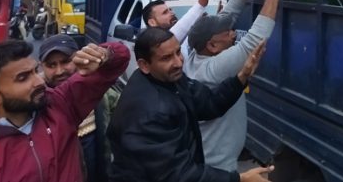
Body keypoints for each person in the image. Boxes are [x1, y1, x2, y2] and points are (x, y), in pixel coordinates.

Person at [107, 28, 274, 182]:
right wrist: (239, 179)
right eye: (166, 58)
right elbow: (178, 175)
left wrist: (241, 77)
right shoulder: (151, 112)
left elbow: (208, 103)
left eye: (178, 52)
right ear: (144, 65)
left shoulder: (169, 79)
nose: (179, 62)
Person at [183, 0, 291, 171]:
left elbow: (229, 13)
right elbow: (256, 36)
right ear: (212, 45)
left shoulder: (195, 54)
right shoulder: (214, 69)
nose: (233, 34)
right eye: (228, 33)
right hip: (217, 166)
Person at [0, 38, 129, 182]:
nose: (39, 81)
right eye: (23, 78)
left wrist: (103, 54)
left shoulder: (59, 105)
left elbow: (120, 58)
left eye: (35, 71)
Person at [39, 34, 120, 182]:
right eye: (51, 65)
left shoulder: (99, 91)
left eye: (66, 62)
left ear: (78, 58)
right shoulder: (36, 102)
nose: (59, 71)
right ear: (41, 66)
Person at [129, 0, 216, 57]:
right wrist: (200, 4)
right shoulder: (152, 44)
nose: (172, 13)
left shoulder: (183, 36)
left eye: (170, 10)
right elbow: (178, 31)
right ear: (152, 22)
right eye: (165, 12)